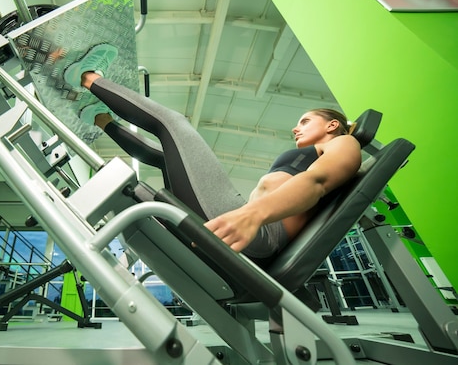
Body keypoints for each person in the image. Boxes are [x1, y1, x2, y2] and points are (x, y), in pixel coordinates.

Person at [63, 44, 362, 265]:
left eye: (306, 121)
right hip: (248, 223)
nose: (296, 129)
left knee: (173, 124)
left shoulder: (344, 143)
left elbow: (317, 182)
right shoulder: (322, 149)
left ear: (332, 125)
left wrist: (251, 214)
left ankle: (87, 76)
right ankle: (100, 118)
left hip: (256, 231)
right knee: (163, 157)